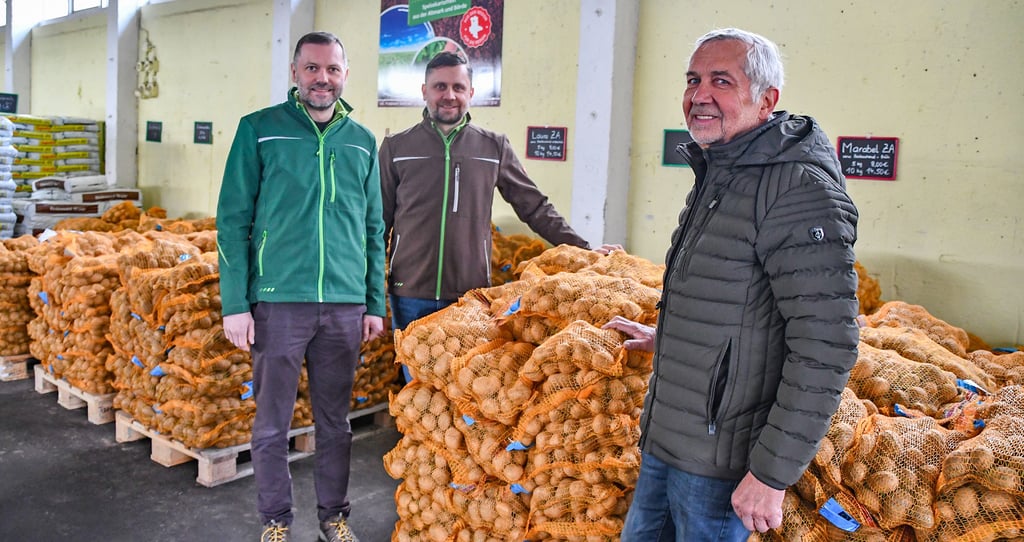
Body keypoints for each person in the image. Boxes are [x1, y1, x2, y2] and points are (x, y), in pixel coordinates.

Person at [603, 28, 859, 541]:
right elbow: (735, 301)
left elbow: (826, 345)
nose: (700, 94)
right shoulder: (721, 172)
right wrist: (671, 340)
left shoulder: (797, 189)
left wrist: (770, 474)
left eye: (722, 80)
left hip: (723, 463)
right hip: (668, 441)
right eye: (693, 80)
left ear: (767, 101)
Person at [216, 31, 384, 542]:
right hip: (277, 304)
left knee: (335, 425)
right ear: (295, 73)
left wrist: (372, 300)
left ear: (345, 75)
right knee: (271, 425)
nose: (322, 79)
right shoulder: (260, 130)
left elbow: (373, 228)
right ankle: (275, 522)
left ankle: (334, 517)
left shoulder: (361, 141)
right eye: (312, 68)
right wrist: (235, 304)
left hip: (343, 305)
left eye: (332, 69)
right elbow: (232, 221)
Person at [379, 52, 615, 367]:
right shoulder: (397, 148)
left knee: (466, 390)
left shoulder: (493, 147)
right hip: (409, 293)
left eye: (458, 87)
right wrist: (371, 294)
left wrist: (584, 249)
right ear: (424, 91)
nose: (449, 95)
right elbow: (377, 224)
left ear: (471, 94)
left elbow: (534, 206)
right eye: (440, 87)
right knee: (417, 397)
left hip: (470, 296)